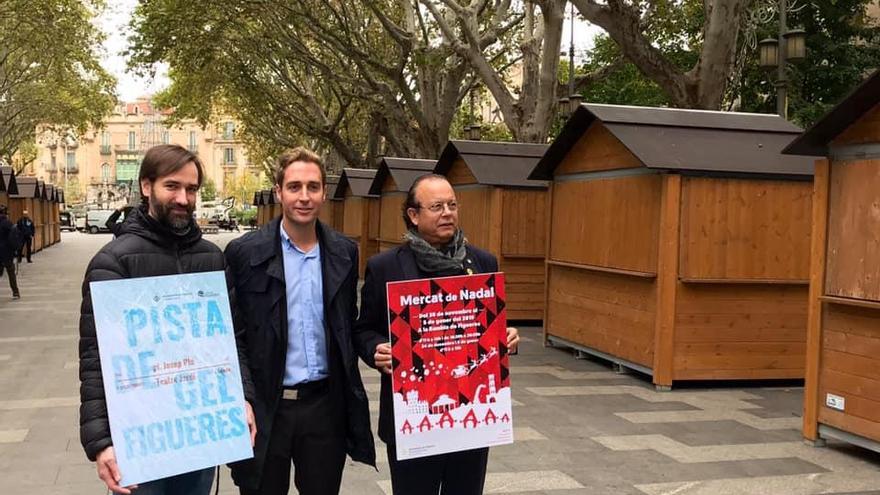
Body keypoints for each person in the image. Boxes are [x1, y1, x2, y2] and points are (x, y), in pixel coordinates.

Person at [78, 144, 256, 495]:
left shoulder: (212, 258)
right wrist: (101, 443)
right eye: (172, 186)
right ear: (147, 187)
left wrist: (243, 398)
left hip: (199, 436)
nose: (183, 198)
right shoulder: (113, 262)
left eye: (191, 189)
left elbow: (232, 340)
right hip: (139, 440)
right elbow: (95, 359)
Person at [353, 174, 520, 495]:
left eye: (452, 205)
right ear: (413, 215)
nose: (447, 213)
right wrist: (376, 348)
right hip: (414, 419)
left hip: (471, 418)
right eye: (437, 206)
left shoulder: (483, 262)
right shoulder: (385, 267)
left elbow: (492, 325)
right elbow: (363, 328)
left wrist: (507, 336)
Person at [225, 147, 375, 495]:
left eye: (313, 187)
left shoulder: (343, 251)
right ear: (278, 192)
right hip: (267, 408)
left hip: (324, 407)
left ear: (324, 192)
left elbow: (347, 325)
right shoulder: (244, 253)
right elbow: (235, 335)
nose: (304, 197)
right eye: (294, 187)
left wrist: (378, 345)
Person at [0, 204, 21, 300]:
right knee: (11, 273)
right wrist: (16, 249)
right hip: (7, 252)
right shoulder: (8, 223)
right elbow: (14, 238)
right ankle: (15, 292)